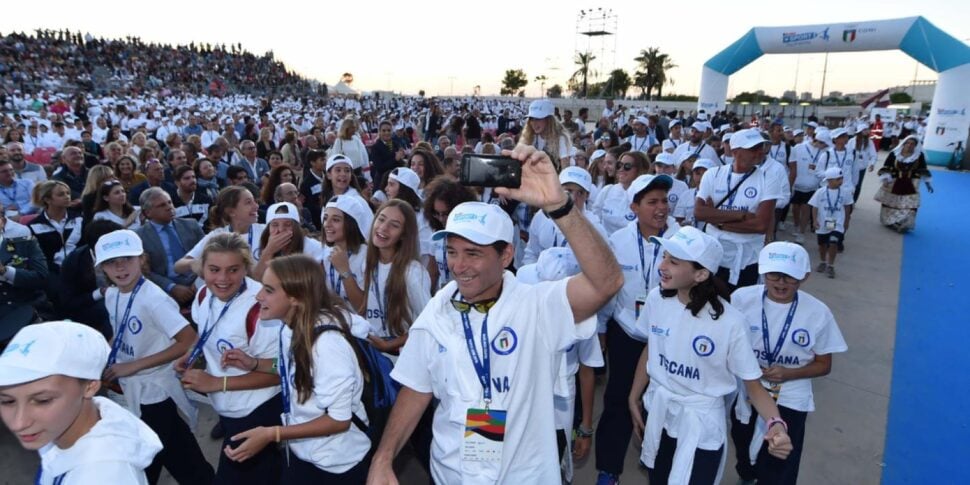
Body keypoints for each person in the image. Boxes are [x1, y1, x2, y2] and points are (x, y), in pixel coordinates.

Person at [366, 144, 623, 484]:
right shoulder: (436, 313)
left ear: (506, 256)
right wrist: (383, 458)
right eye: (453, 251)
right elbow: (416, 387)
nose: (459, 266)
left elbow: (608, 281)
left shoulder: (536, 306)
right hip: (452, 475)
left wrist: (560, 206)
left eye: (473, 253)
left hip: (523, 476)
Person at [628, 226, 793, 485]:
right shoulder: (656, 299)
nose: (662, 265)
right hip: (660, 414)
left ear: (701, 273)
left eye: (674, 261)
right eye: (664, 256)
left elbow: (753, 385)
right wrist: (634, 396)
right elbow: (652, 348)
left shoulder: (730, 323)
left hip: (701, 425)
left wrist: (776, 424)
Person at [221, 255, 373, 483]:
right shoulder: (289, 328)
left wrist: (273, 434)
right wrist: (254, 364)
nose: (258, 296)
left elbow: (339, 420)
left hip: (338, 464)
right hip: (305, 453)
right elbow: (293, 370)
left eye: (269, 290)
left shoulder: (327, 346)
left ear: (296, 298)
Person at [94, 229, 215, 484]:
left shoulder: (154, 299)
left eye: (127, 259)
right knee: (177, 451)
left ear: (142, 259)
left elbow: (187, 339)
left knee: (147, 455)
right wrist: (106, 353)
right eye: (111, 262)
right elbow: (121, 330)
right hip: (134, 389)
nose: (120, 267)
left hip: (155, 390)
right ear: (102, 268)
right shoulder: (113, 295)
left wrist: (134, 366)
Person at [730, 242, 847, 485]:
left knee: (780, 456)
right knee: (741, 440)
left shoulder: (818, 313)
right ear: (763, 272)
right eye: (774, 275)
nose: (781, 283)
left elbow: (824, 364)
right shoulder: (741, 299)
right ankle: (747, 475)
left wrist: (789, 373)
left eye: (790, 277)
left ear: (804, 276)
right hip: (747, 389)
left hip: (790, 395)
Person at [176, 232, 283, 484]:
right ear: (202, 269)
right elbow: (207, 332)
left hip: (256, 411)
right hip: (227, 408)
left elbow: (281, 372)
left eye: (233, 270)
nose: (223, 279)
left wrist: (217, 383)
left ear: (246, 267)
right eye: (214, 269)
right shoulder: (203, 296)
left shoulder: (261, 308)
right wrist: (191, 353)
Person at [0, 321, 163, 485]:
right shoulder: (62, 429)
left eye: (43, 401)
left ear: (90, 386)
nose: (18, 423)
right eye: (7, 401)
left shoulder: (104, 477)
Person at [594, 173, 679, 484]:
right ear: (635, 206)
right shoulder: (617, 242)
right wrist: (602, 330)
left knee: (664, 405)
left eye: (664, 201)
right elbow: (608, 290)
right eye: (652, 202)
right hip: (627, 334)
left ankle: (661, 468)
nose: (661, 208)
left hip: (669, 338)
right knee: (618, 400)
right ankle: (608, 469)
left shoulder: (684, 240)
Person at [515, 247, 603, 483]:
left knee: (552, 466)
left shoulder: (583, 319)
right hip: (517, 399)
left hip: (559, 405)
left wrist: (585, 427)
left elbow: (587, 371)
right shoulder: (517, 307)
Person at [694, 128, 781, 290]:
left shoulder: (768, 178)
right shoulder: (713, 174)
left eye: (761, 148)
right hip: (713, 254)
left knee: (741, 303)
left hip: (747, 258)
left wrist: (716, 221)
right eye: (753, 149)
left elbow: (761, 226)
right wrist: (741, 215)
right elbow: (699, 213)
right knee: (710, 302)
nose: (759, 152)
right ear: (735, 152)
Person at [358, 199, 431, 356]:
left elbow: (428, 323)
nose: (383, 228)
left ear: (404, 235)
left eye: (394, 225)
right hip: (375, 354)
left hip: (403, 359)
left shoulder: (412, 272)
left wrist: (389, 345)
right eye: (381, 219)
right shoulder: (368, 263)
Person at [135, 187, 205, 308]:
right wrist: (171, 287)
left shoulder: (191, 225)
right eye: (162, 205)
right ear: (147, 213)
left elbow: (209, 255)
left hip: (199, 280)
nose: (169, 207)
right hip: (164, 289)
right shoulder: (139, 236)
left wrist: (199, 281)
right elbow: (144, 271)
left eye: (169, 202)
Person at [523, 166, 607, 265]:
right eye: (569, 191)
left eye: (580, 193)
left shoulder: (594, 228)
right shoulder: (542, 216)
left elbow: (603, 266)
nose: (574, 198)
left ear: (587, 196)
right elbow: (531, 253)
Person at [176, 186, 267, 273]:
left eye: (255, 201)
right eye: (248, 202)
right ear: (231, 212)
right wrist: (195, 263)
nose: (256, 206)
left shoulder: (266, 231)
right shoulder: (218, 236)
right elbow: (178, 266)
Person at [59, 219, 120, 338]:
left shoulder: (125, 256)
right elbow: (68, 302)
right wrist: (100, 293)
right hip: (89, 307)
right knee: (109, 309)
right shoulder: (74, 262)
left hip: (123, 297)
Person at [421, 177, 479, 292]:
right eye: (436, 214)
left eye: (446, 214)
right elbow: (433, 271)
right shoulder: (436, 235)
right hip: (444, 295)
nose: (441, 219)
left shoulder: (475, 237)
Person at [0, 207, 48, 342]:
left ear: (2, 222)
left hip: (29, 311)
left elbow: (41, 278)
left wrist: (5, 271)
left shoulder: (25, 244)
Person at [252, 202, 325, 280]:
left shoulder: (314, 248)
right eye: (275, 225)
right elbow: (256, 279)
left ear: (297, 228)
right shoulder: (265, 246)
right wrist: (268, 251)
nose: (280, 230)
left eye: (287, 224)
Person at [874, 135, 932, 233]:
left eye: (912, 144)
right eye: (907, 143)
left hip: (911, 182)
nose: (909, 146)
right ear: (904, 143)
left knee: (910, 204)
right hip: (894, 181)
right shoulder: (894, 154)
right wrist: (885, 178)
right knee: (891, 202)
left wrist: (928, 184)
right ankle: (890, 221)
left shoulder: (919, 156)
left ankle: (904, 223)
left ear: (916, 146)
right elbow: (887, 166)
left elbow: (923, 170)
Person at [28, 180, 83, 272]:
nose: (67, 197)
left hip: (80, 270)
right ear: (47, 200)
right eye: (61, 194)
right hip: (51, 273)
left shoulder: (80, 219)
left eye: (68, 193)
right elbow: (38, 256)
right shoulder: (34, 226)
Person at [593, 150, 651, 235]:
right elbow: (595, 220)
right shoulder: (607, 191)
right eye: (619, 165)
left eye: (627, 166)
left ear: (640, 169)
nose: (621, 169)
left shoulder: (647, 196)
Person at [809, 168, 854, 279]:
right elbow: (814, 207)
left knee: (833, 243)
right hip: (822, 223)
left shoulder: (845, 192)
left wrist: (846, 221)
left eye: (841, 178)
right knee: (822, 244)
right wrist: (814, 220)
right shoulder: (820, 192)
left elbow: (847, 207)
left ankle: (831, 265)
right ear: (829, 180)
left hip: (837, 223)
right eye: (838, 179)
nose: (841, 181)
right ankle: (823, 261)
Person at [520, 99, 573, 169]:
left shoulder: (560, 138)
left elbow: (565, 164)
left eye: (538, 119)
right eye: (531, 119)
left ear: (549, 120)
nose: (534, 123)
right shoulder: (530, 137)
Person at [673, 159, 716, 229]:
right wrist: (684, 225)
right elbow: (678, 221)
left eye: (706, 174)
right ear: (692, 175)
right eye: (697, 173)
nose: (701, 178)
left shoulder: (721, 195)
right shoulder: (686, 195)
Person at [331, 118, 372, 182]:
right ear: (346, 128)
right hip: (346, 173)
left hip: (359, 172)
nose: (354, 130)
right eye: (352, 128)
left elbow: (364, 154)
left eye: (355, 127)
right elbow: (335, 157)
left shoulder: (356, 139)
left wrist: (367, 170)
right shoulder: (339, 141)